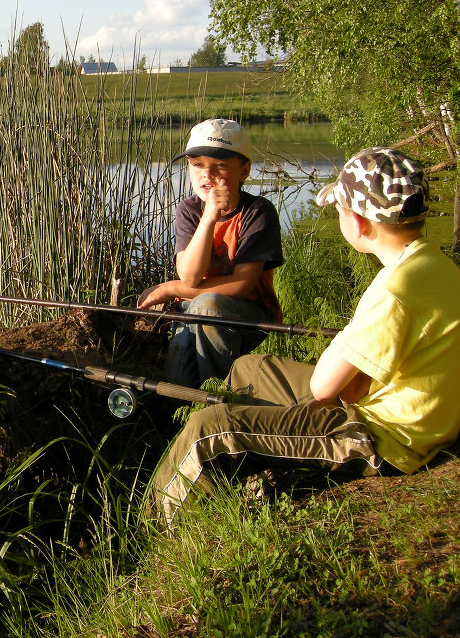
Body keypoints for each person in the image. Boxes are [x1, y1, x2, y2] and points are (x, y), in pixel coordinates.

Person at [151, 147, 460, 527]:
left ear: (359, 223)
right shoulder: (438, 266)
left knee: (206, 429)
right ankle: (237, 469)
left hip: (384, 439)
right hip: (404, 414)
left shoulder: (395, 289)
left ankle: (158, 528)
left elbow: (328, 388)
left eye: (339, 210)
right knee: (251, 369)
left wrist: (345, 372)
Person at [137, 118, 284, 386]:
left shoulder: (257, 212)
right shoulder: (188, 210)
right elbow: (190, 277)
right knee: (177, 379)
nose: (207, 174)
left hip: (251, 315)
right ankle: (184, 413)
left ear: (244, 171)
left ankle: (221, 398)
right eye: (198, 165)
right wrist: (208, 219)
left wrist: (171, 288)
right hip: (192, 307)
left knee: (208, 305)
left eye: (221, 166)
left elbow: (240, 286)